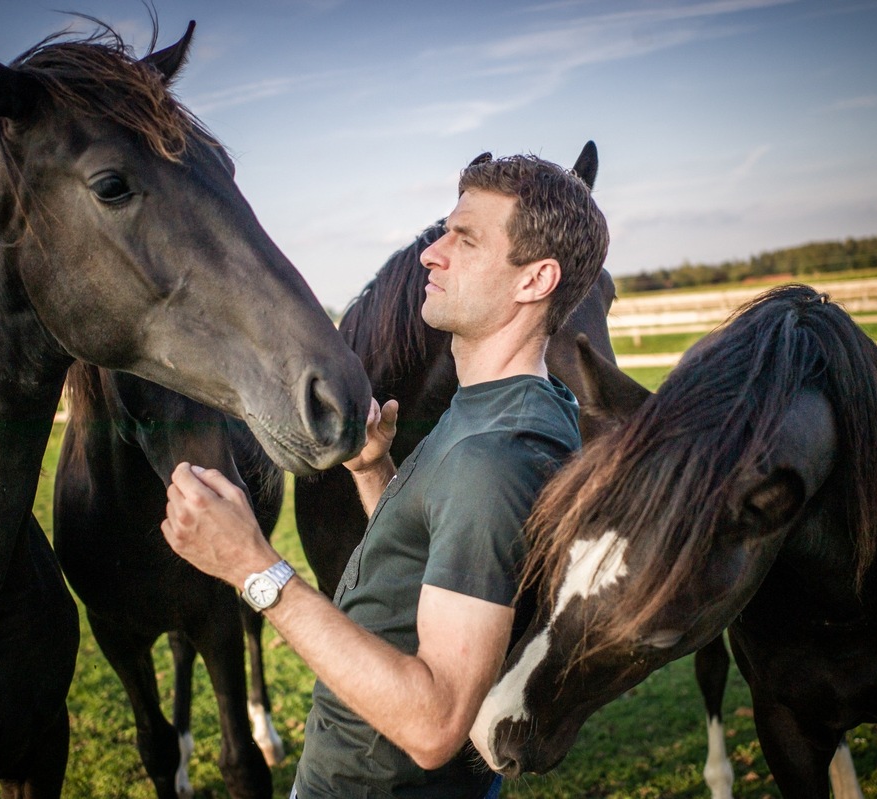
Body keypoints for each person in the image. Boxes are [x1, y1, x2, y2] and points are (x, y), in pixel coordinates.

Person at [160, 152, 609, 798]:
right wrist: (376, 474)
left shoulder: (497, 457)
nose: (432, 253)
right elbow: (437, 563)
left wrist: (252, 565)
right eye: (444, 231)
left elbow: (435, 723)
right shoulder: (497, 409)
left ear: (535, 279)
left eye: (466, 238)